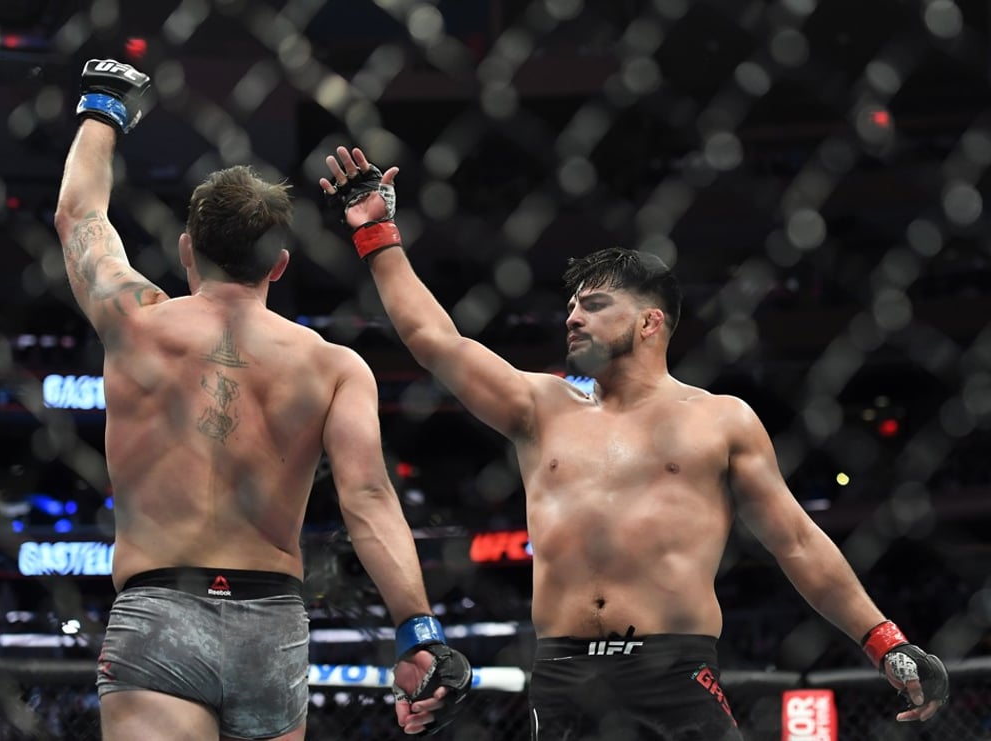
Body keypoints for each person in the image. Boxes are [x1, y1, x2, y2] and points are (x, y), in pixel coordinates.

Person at [320, 146, 950, 740]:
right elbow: (436, 341)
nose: (572, 318)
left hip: (674, 674)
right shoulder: (539, 406)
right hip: (564, 675)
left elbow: (796, 540)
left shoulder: (720, 420)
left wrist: (884, 640)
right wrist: (377, 236)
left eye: (593, 305)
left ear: (650, 322)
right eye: (571, 307)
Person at [54, 62, 471, 741]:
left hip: (161, 606)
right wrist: (418, 630)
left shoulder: (135, 322)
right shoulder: (333, 365)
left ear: (187, 248)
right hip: (271, 622)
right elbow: (367, 499)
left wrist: (104, 106)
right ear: (279, 264)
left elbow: (79, 213)